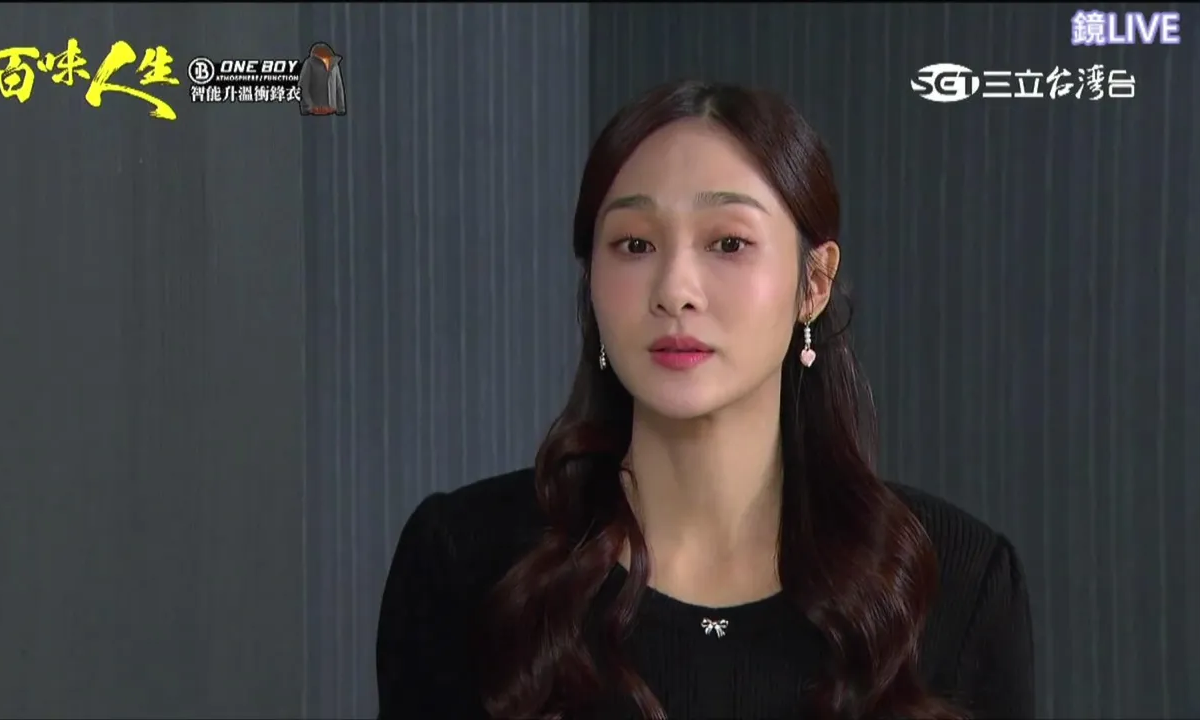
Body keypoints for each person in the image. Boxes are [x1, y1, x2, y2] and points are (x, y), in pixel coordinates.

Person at [376, 80, 1035, 719]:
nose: (675, 290)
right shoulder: (467, 561)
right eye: (635, 245)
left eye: (729, 243)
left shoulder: (954, 583)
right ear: (593, 280)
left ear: (813, 283)